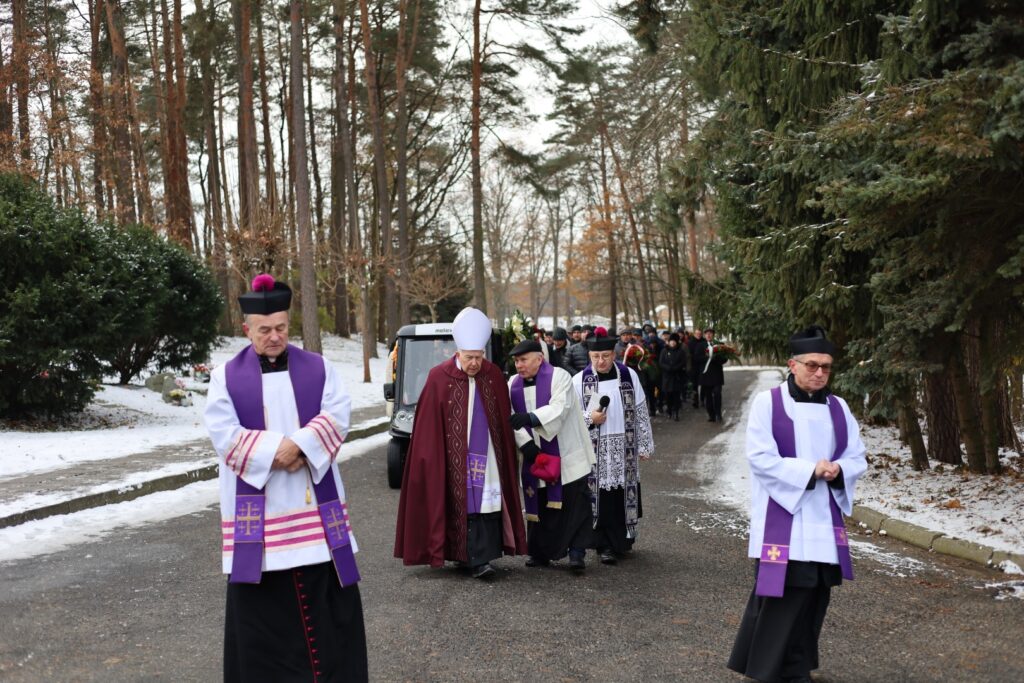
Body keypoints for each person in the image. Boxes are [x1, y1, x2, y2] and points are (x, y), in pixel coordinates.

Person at [204, 273, 367, 682]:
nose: (274, 337)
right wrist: (279, 452)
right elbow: (223, 435)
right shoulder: (225, 377)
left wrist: (300, 447)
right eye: (264, 330)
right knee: (264, 633)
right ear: (247, 330)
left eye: (280, 328)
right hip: (258, 528)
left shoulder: (321, 367)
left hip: (316, 523)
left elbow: (338, 414)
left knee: (329, 624)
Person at [728, 325, 867, 683]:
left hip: (823, 520)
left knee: (814, 597)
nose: (820, 372)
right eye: (812, 365)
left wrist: (839, 469)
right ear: (793, 364)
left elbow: (857, 455)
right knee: (782, 597)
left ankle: (797, 667)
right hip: (784, 518)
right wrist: (810, 470)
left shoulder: (838, 407)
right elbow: (759, 457)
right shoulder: (769, 402)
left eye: (826, 367)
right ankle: (769, 670)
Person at [394, 307, 527, 579]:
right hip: (452, 459)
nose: (475, 363)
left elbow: (502, 419)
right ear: (457, 353)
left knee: (486, 504)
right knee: (457, 503)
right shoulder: (438, 377)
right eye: (469, 358)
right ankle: (460, 554)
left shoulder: (493, 377)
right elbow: (428, 427)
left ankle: (482, 557)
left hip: (488, 456)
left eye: (478, 357)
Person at [508, 340, 596, 573]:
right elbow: (509, 418)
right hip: (534, 458)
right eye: (516, 361)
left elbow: (560, 408)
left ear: (539, 358)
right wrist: (526, 445)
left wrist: (530, 418)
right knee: (541, 504)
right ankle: (539, 552)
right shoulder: (512, 385)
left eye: (524, 360)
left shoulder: (560, 377)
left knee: (575, 505)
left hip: (568, 455)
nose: (519, 365)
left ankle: (577, 553)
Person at [571, 328, 655, 564]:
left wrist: (644, 444)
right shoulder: (578, 381)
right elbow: (572, 418)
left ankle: (622, 540)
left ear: (614, 353)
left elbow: (640, 410)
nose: (601, 361)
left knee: (621, 494)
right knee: (601, 497)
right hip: (595, 451)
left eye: (606, 356)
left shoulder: (629, 376)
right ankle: (603, 545)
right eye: (596, 357)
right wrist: (590, 419)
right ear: (589, 356)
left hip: (624, 447)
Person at [698, 327, 728, 422]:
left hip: (717, 375)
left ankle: (718, 414)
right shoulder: (700, 345)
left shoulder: (719, 345)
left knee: (717, 394)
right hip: (706, 376)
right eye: (707, 333)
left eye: (710, 333)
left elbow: (724, 359)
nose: (708, 335)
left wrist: (715, 358)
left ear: (713, 335)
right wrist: (707, 357)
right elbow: (696, 358)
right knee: (708, 397)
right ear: (704, 335)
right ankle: (711, 415)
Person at [659, 333, 688, 421]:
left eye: (674, 341)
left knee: (676, 395)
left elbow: (683, 362)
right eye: (671, 341)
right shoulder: (664, 351)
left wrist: (675, 368)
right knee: (668, 395)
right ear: (668, 342)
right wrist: (668, 368)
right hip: (667, 377)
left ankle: (676, 412)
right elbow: (661, 362)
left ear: (676, 342)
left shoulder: (680, 351)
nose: (672, 343)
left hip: (677, 377)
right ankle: (669, 410)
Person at [688, 328, 704, 408]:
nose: (698, 335)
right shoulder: (690, 342)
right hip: (693, 367)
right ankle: (695, 400)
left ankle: (703, 399)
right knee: (694, 385)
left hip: (702, 366)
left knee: (703, 384)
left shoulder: (704, 341)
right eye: (697, 334)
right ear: (694, 334)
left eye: (700, 334)